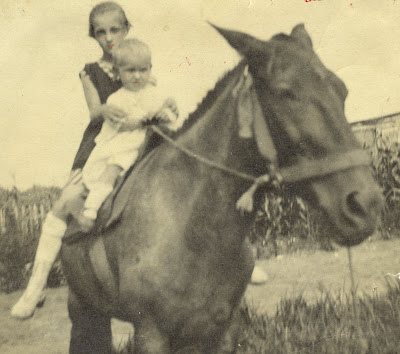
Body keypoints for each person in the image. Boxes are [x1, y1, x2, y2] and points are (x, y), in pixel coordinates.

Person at [11, 2, 176, 320]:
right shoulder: (92, 71)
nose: (109, 38)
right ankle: (36, 287)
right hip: (100, 148)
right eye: (101, 32)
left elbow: (155, 103)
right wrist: (105, 111)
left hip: (138, 144)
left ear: (127, 29)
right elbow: (94, 111)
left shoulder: (139, 62)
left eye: (115, 30)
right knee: (66, 203)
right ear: (94, 36)